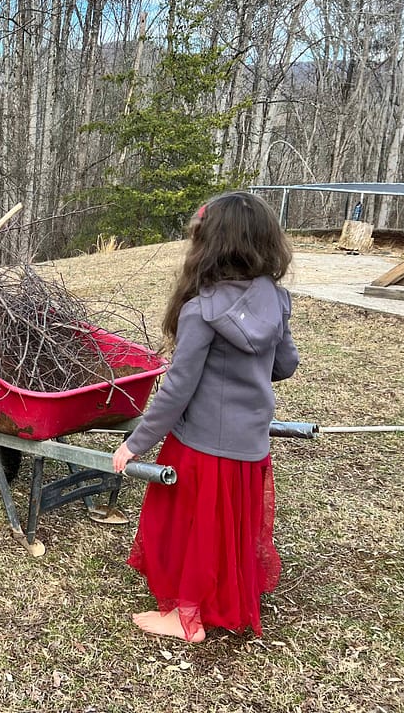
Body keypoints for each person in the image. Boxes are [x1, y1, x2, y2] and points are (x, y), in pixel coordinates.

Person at [111, 190, 299, 642]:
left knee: (195, 529)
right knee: (225, 527)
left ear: (208, 244)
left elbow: (177, 389)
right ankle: (218, 596)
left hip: (201, 445)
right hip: (249, 443)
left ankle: (185, 617)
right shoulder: (274, 297)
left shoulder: (201, 310)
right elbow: (285, 365)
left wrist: (135, 443)